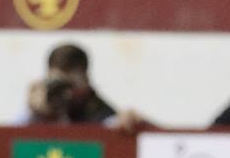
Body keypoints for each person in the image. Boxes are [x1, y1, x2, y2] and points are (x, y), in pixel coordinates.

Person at [21, 43, 149, 134]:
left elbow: (112, 125)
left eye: (70, 85)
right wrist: (32, 112)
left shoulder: (98, 113)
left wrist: (131, 122)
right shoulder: (40, 111)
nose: (65, 94)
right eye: (58, 86)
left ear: (86, 80)